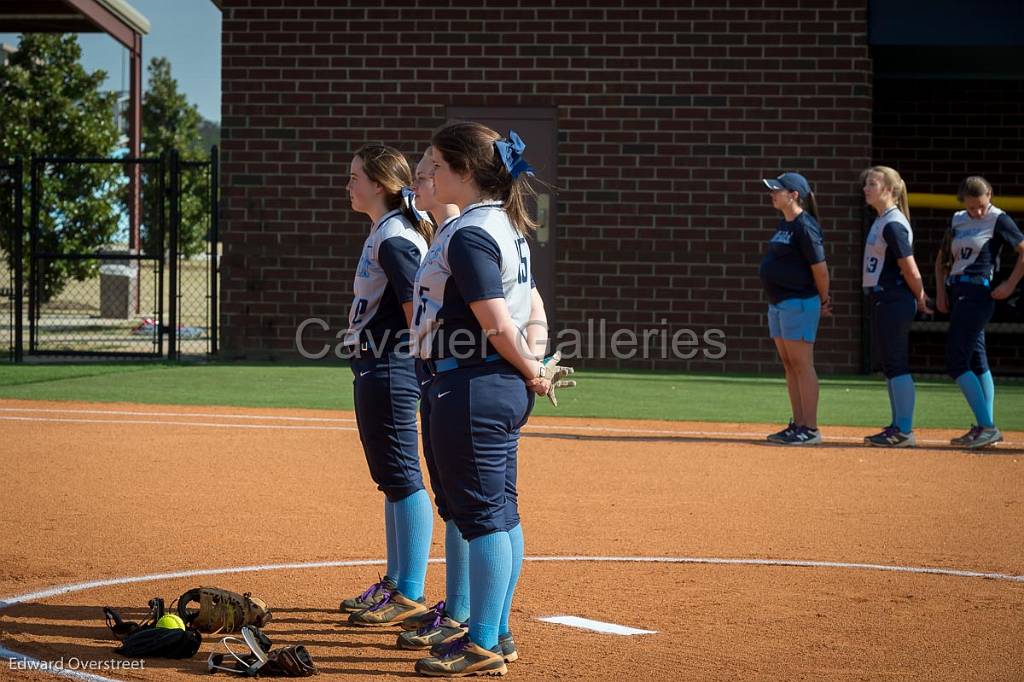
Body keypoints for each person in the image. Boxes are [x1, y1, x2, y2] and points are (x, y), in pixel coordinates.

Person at [409, 122, 570, 677]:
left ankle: (481, 643)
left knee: (482, 517)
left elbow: (500, 322)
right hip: (483, 382)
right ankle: (495, 635)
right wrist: (532, 370)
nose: (427, 171)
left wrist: (532, 370)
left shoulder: (472, 231)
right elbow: (527, 312)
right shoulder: (502, 225)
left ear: (466, 172)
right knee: (499, 512)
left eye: (436, 162)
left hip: (473, 384)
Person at [338, 144, 434, 627]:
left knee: (402, 477)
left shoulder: (395, 236)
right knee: (391, 480)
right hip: (377, 366)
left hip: (391, 367)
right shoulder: (385, 231)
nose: (348, 185)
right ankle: (397, 583)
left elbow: (418, 309)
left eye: (356, 177)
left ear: (379, 184)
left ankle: (409, 590)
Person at [396, 149, 470, 653]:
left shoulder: (463, 234)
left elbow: (517, 301)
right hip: (434, 374)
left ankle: (464, 613)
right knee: (451, 502)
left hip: (462, 377)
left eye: (424, 177)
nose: (415, 186)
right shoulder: (439, 236)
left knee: (468, 506)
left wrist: (530, 358)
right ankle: (456, 607)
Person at [933, 176, 1024, 449]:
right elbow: (941, 260)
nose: (978, 212)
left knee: (956, 360)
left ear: (990, 196)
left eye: (982, 205)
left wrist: (1009, 284)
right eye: (972, 207)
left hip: (978, 294)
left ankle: (987, 426)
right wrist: (940, 291)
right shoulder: (958, 219)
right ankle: (985, 427)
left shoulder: (998, 219)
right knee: (977, 359)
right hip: (958, 292)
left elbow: (1023, 251)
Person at [860, 165, 933, 447]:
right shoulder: (882, 219)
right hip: (885, 297)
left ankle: (904, 430)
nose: (866, 188)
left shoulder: (892, 223)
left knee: (897, 363)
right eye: (866, 184)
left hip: (895, 297)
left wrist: (921, 296)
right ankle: (897, 426)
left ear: (889, 190)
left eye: (872, 184)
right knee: (890, 365)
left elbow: (909, 268)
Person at [759, 172, 831, 445]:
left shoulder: (805, 226)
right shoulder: (785, 224)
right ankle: (798, 423)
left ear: (794, 195)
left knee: (802, 364)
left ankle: (810, 428)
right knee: (790, 365)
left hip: (799, 301)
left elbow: (820, 270)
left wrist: (824, 300)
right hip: (779, 303)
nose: (773, 193)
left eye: (778, 190)